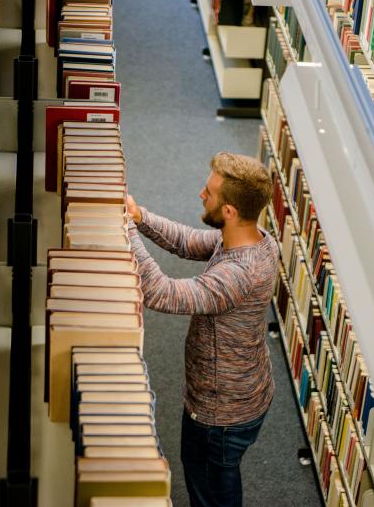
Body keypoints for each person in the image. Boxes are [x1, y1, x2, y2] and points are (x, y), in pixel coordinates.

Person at [126, 152, 278, 507]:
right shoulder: (252, 237)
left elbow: (161, 293)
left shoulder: (241, 272)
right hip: (240, 391)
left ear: (229, 212)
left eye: (209, 192)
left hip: (221, 412)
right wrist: (140, 216)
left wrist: (128, 230)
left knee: (211, 493)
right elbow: (188, 241)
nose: (200, 194)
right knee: (210, 481)